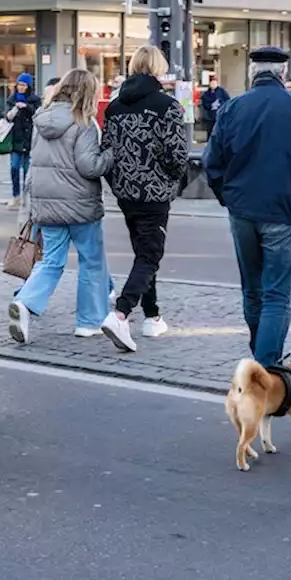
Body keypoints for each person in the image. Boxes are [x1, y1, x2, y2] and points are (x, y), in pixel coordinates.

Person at [204, 47, 291, 371]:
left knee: (253, 290)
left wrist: (229, 197)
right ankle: (265, 370)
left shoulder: (233, 108)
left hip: (242, 211)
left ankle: (260, 359)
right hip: (281, 211)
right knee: (276, 294)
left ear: (253, 74)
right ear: (283, 74)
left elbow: (212, 163)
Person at [8, 69, 113, 343]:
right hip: (80, 205)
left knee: (51, 261)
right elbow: (89, 166)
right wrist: (110, 155)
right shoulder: (84, 123)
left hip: (46, 204)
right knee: (91, 261)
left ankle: (26, 302)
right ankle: (89, 322)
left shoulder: (41, 118)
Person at [99, 45, 189, 353]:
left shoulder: (114, 107)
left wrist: (117, 182)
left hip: (126, 192)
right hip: (155, 193)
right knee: (150, 255)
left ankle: (152, 317)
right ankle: (121, 313)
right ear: (159, 68)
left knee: (143, 252)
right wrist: (171, 180)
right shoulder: (168, 106)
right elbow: (178, 154)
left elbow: (106, 150)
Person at [4, 73, 41, 210]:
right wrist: (13, 110)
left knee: (27, 170)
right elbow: (7, 116)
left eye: (24, 85)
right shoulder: (12, 99)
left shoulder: (35, 99)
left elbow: (38, 113)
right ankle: (15, 196)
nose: (21, 87)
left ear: (29, 86)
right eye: (19, 84)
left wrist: (26, 107)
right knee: (14, 167)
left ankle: (26, 197)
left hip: (30, 139)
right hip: (15, 140)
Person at [200, 75, 230, 139]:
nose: (213, 85)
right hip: (210, 116)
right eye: (212, 83)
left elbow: (227, 101)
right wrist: (211, 105)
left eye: (214, 83)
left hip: (220, 114)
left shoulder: (222, 91)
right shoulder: (206, 93)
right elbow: (204, 103)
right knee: (210, 130)